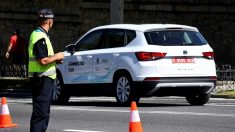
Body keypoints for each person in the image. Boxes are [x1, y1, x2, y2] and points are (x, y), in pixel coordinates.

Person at [28, 8, 64, 132]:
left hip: (42, 80)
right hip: (41, 79)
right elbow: (42, 60)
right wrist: (57, 56)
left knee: (42, 113)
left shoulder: (41, 35)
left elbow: (44, 58)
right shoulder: (39, 36)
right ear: (50, 21)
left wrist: (54, 60)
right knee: (41, 114)